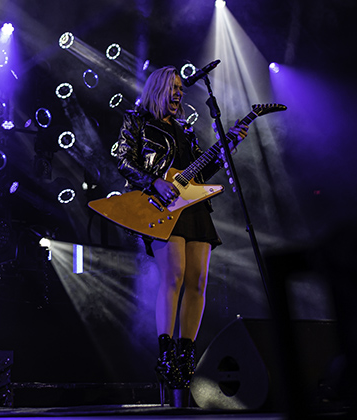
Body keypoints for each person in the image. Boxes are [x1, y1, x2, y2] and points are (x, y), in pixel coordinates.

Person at [114, 66, 247, 406]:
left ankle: (186, 357)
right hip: (159, 206)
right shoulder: (138, 120)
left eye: (180, 89)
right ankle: (166, 353)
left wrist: (228, 145)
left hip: (194, 209)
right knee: (173, 277)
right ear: (159, 88)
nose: (178, 93)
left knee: (198, 282)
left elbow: (200, 173)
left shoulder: (185, 130)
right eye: (173, 87)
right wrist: (153, 181)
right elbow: (123, 160)